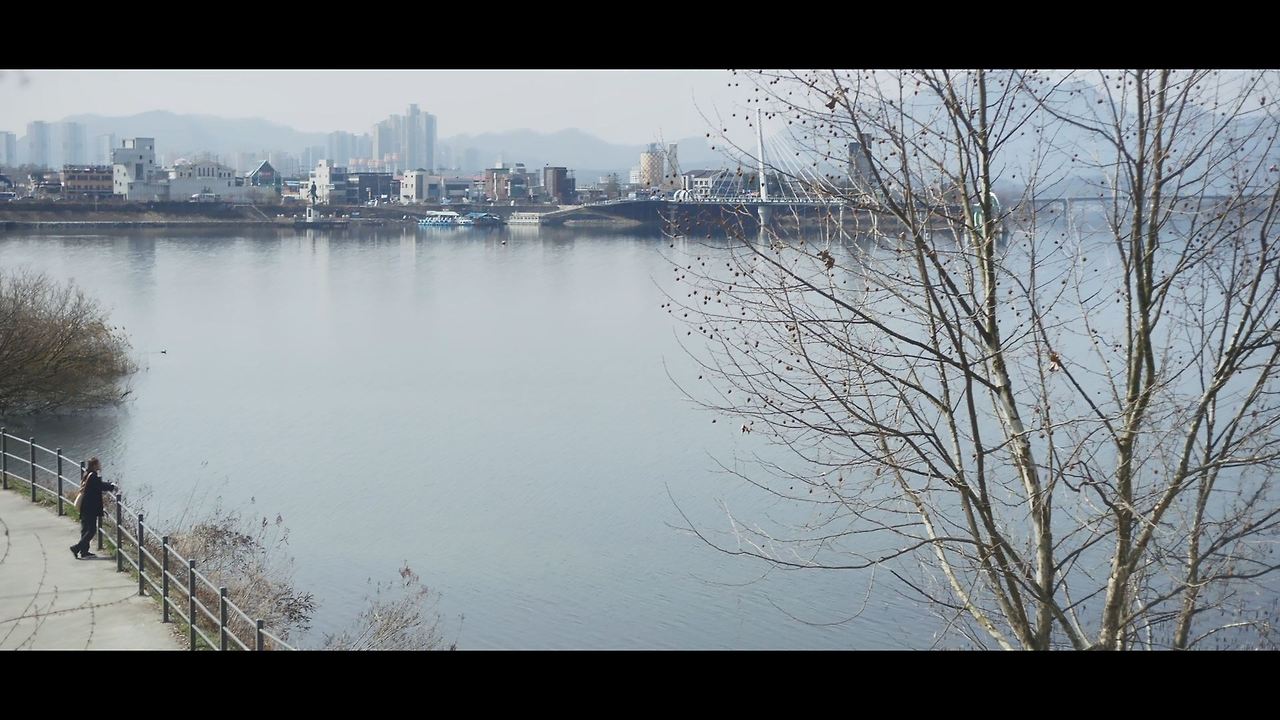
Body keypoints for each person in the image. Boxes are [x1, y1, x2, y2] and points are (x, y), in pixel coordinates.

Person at [70, 457, 116, 559]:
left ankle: (84, 551)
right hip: (90, 507)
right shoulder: (93, 476)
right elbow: (100, 486)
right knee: (91, 530)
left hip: (85, 505)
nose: (100, 465)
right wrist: (112, 486)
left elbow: (97, 485)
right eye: (98, 464)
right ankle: (76, 548)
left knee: (85, 529)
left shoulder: (87, 474)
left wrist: (108, 484)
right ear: (95, 465)